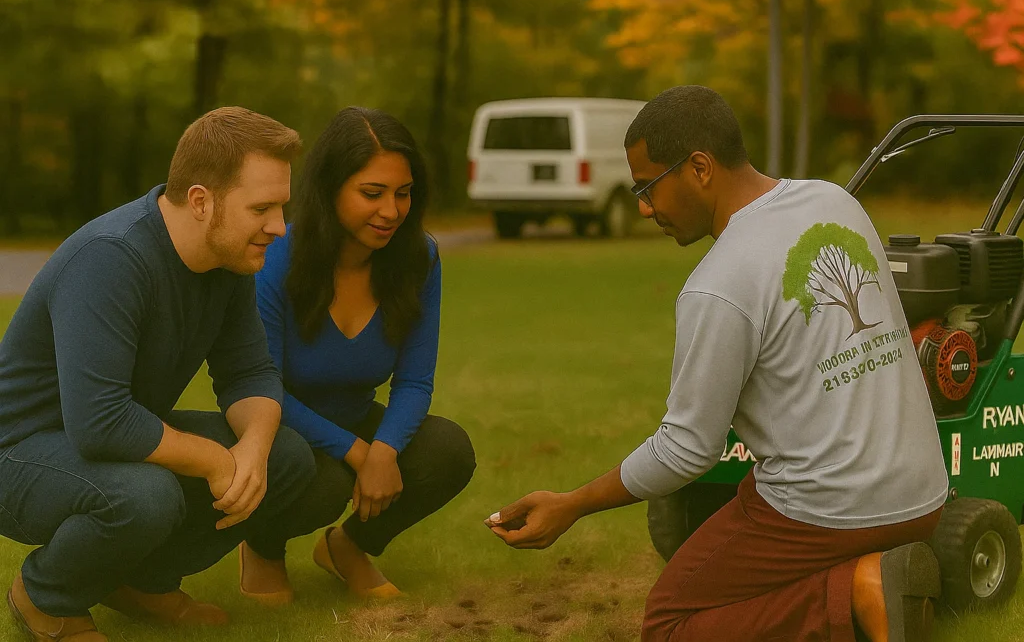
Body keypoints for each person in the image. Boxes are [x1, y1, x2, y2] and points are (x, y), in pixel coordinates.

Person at [486, 85, 949, 642]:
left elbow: (687, 450)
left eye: (648, 186)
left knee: (671, 624)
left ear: (700, 167)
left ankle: (860, 589)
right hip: (923, 497)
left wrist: (572, 504)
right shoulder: (833, 202)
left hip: (830, 510)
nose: (643, 207)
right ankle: (879, 583)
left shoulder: (718, 283)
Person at [0, 107, 317, 642]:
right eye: (261, 208)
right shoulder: (112, 257)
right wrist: (218, 460)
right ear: (201, 200)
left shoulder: (229, 257)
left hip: (102, 439)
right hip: (18, 451)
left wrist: (252, 453)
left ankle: (140, 583)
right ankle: (47, 595)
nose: (279, 228)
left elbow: (249, 373)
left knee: (286, 459)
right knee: (145, 495)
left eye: (282, 207)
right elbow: (99, 421)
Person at [238, 107, 475, 604]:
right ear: (329, 190)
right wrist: (359, 454)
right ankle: (262, 546)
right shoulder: (276, 257)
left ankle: (348, 547)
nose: (391, 211)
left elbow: (413, 381)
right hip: (277, 430)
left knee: (448, 450)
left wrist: (384, 450)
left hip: (355, 419)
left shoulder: (419, 259)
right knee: (322, 480)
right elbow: (263, 384)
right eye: (372, 194)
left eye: (403, 193)